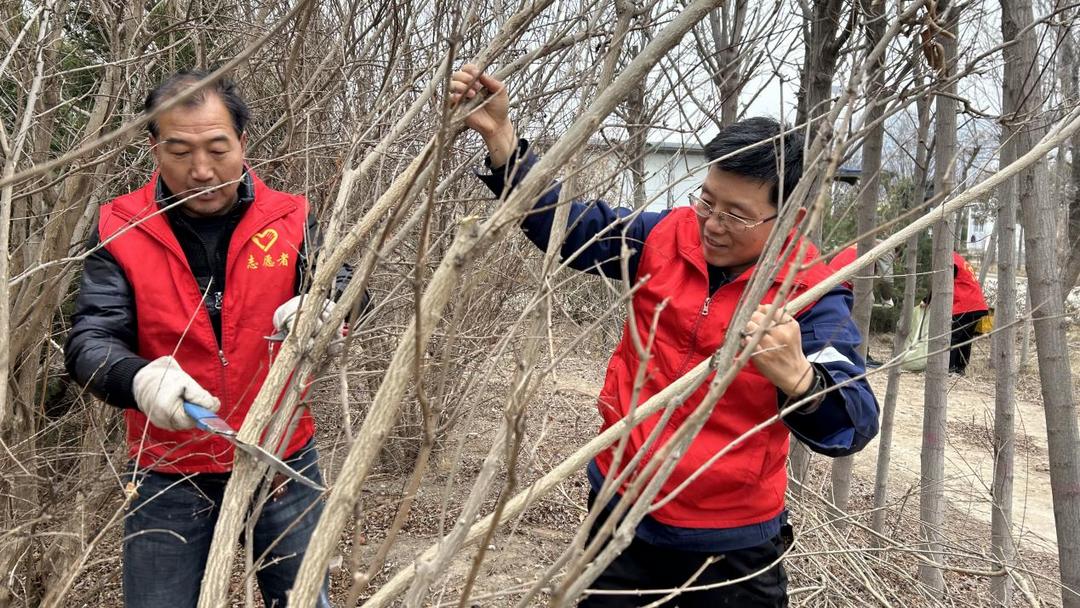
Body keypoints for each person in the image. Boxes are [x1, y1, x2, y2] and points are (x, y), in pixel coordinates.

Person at [450, 65, 879, 607]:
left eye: (736, 215)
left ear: (788, 217)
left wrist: (799, 379)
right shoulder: (666, 236)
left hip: (732, 548)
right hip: (620, 515)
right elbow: (566, 227)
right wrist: (503, 143)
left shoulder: (810, 295)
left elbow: (853, 422)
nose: (712, 224)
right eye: (708, 201)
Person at [64, 70, 360, 607]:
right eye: (180, 151)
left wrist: (326, 309)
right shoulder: (120, 227)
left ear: (243, 143)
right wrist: (136, 378)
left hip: (282, 454)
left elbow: (340, 281)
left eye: (218, 149)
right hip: (167, 467)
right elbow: (91, 336)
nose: (202, 170)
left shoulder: (291, 218)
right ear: (154, 148)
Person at [827, 242, 896, 367]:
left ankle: (849, 352)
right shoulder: (888, 248)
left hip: (830, 277)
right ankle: (860, 354)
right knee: (860, 315)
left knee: (841, 319)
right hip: (844, 281)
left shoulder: (863, 243)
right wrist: (887, 298)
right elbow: (886, 278)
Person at [947, 251, 989, 375]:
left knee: (953, 336)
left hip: (965, 305)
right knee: (966, 337)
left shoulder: (951, 261)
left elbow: (943, 284)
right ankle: (961, 367)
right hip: (978, 305)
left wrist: (926, 300)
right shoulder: (961, 260)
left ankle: (949, 367)